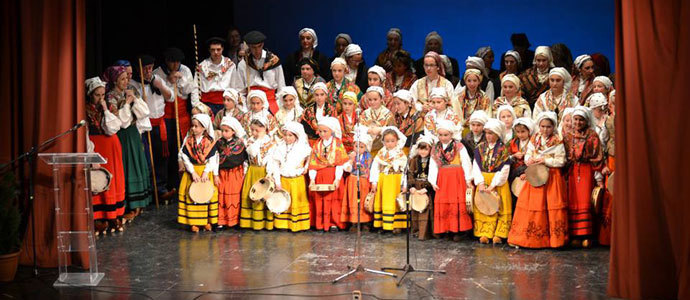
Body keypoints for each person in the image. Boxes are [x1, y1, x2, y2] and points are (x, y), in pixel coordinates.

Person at [507, 112, 569, 248]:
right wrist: (529, 159)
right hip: (535, 175)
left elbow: (561, 160)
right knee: (532, 205)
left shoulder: (557, 140)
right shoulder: (535, 138)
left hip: (551, 176)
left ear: (553, 126)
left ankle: (552, 239)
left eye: (548, 127)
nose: (545, 130)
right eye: (542, 126)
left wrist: (545, 160)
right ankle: (527, 238)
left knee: (550, 206)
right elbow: (529, 152)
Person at [104, 66, 152, 226]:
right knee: (126, 166)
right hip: (122, 135)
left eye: (127, 78)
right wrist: (127, 103)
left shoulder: (131, 90)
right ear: (115, 80)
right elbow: (122, 122)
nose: (126, 82)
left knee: (136, 164)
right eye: (122, 79)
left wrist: (135, 99)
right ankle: (128, 204)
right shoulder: (111, 96)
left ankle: (139, 203)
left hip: (133, 133)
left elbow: (144, 112)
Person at [131, 55, 176, 203]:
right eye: (145, 68)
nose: (148, 71)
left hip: (160, 123)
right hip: (144, 126)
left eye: (150, 67)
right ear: (138, 69)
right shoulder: (134, 84)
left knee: (162, 156)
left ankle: (161, 189)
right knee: (147, 159)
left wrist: (161, 86)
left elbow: (171, 97)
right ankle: (149, 191)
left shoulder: (157, 79)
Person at [85, 77, 126, 235]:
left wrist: (105, 109)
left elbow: (112, 128)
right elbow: (85, 133)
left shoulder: (108, 107)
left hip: (111, 145)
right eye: (97, 95)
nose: (101, 98)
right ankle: (98, 217)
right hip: (96, 146)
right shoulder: (84, 109)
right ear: (90, 94)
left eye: (103, 94)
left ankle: (114, 215)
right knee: (98, 181)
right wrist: (91, 154)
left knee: (114, 180)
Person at [155, 47, 195, 196]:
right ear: (166, 61)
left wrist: (179, 80)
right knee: (165, 152)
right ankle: (163, 187)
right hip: (165, 117)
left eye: (177, 62)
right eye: (172, 62)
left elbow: (189, 90)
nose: (175, 65)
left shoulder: (185, 71)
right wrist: (168, 80)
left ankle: (181, 184)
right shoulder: (157, 73)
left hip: (182, 115)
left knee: (181, 151)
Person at [563, 106, 604, 248]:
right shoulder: (568, 136)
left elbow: (597, 157)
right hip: (573, 171)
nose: (578, 122)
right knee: (573, 200)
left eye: (581, 120)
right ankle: (575, 235)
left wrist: (598, 177)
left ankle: (586, 235)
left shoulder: (592, 135)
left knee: (586, 201)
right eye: (576, 119)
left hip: (586, 171)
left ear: (586, 121)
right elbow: (566, 156)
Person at [429, 120, 473, 240]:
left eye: (446, 135)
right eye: (440, 135)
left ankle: (459, 230)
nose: (443, 138)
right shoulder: (436, 148)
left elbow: (466, 162)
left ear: (451, 135)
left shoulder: (458, 146)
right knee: (445, 202)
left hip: (457, 178)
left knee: (457, 202)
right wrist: (433, 180)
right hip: (443, 178)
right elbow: (432, 165)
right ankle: (446, 228)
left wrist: (468, 178)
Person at [471, 119, 512, 244]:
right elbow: (476, 166)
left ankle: (499, 233)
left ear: (498, 134)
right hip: (483, 181)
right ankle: (484, 232)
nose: (488, 136)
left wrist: (494, 185)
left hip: (497, 182)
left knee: (500, 206)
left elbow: (505, 169)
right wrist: (481, 183)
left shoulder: (503, 150)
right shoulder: (480, 148)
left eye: (491, 133)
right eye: (487, 133)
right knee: (485, 206)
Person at [177, 114, 219, 232]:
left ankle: (206, 220)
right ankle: (194, 222)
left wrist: (206, 172)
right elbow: (185, 157)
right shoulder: (189, 141)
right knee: (192, 196)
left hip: (204, 172)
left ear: (204, 128)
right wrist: (192, 172)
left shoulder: (209, 142)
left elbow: (213, 159)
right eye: (193, 126)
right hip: (194, 172)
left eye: (196, 126)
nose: (193, 129)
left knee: (205, 195)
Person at [308, 117, 349, 231]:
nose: (322, 134)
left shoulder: (337, 144)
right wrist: (312, 179)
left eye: (325, 131)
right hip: (320, 177)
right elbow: (313, 164)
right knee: (320, 200)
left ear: (332, 131)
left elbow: (340, 163)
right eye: (320, 131)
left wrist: (337, 179)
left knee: (334, 201)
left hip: (333, 175)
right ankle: (320, 223)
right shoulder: (317, 145)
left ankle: (334, 222)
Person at [269, 122, 312, 232]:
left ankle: (298, 224)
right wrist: (277, 181)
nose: (287, 138)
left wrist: (305, 167)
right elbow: (275, 165)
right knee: (284, 201)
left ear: (296, 136)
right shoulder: (279, 147)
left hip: (297, 180)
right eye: (285, 135)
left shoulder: (302, 147)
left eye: (290, 135)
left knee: (297, 201)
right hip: (284, 180)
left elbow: (310, 155)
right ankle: (283, 224)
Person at [232, 31, 285, 115]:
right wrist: (245, 109)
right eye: (253, 47)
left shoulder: (273, 61)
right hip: (251, 105)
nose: (257, 50)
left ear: (263, 44)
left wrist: (279, 106)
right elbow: (240, 91)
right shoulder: (244, 64)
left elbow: (281, 87)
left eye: (259, 46)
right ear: (248, 46)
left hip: (271, 103)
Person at [239, 116, 277, 230]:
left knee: (263, 195)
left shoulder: (270, 143)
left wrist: (269, 173)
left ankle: (264, 222)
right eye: (253, 130)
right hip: (252, 170)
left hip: (263, 171)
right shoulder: (251, 141)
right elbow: (249, 155)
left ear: (265, 128)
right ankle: (250, 222)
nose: (254, 133)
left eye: (257, 130)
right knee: (251, 193)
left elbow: (271, 159)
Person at [369, 127, 408, 233]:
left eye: (392, 141)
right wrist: (374, 182)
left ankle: (397, 224)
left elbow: (405, 170)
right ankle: (383, 224)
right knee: (384, 201)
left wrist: (404, 184)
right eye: (387, 141)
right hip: (384, 181)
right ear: (383, 142)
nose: (390, 144)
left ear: (397, 141)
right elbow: (375, 168)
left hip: (395, 181)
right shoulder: (381, 154)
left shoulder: (400, 154)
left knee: (395, 202)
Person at [215, 116, 248, 230]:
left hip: (235, 173)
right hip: (222, 173)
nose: (224, 133)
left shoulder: (239, 143)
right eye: (222, 130)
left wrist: (244, 173)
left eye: (227, 131)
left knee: (234, 196)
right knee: (222, 196)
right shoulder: (219, 143)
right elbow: (215, 159)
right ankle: (222, 220)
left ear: (233, 131)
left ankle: (235, 220)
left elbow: (244, 160)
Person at [192, 37, 236, 115]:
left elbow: (234, 87)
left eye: (218, 49)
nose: (216, 52)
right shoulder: (202, 67)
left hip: (225, 103)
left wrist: (233, 104)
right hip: (207, 104)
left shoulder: (230, 65)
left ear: (222, 49)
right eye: (213, 50)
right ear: (209, 50)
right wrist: (198, 105)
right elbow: (195, 88)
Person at [405, 134, 437, 240]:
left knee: (426, 209)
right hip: (416, 187)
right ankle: (416, 230)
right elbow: (410, 174)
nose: (422, 152)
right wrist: (412, 186)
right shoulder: (414, 160)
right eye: (420, 149)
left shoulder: (433, 161)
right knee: (416, 209)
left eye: (425, 149)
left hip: (426, 188)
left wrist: (427, 188)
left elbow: (434, 175)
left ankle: (426, 232)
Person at [341, 129, 374, 228]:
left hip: (364, 181)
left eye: (361, 146)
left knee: (364, 200)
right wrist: (351, 160)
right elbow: (346, 169)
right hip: (353, 180)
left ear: (366, 147)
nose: (358, 149)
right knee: (353, 200)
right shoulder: (351, 155)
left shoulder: (369, 157)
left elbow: (371, 170)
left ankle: (365, 221)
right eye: (356, 146)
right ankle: (354, 221)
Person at [359, 86, 395, 156]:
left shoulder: (388, 114)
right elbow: (359, 128)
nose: (372, 102)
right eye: (370, 99)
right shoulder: (365, 113)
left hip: (383, 149)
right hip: (367, 149)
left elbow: (393, 131)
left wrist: (380, 130)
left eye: (375, 99)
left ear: (381, 99)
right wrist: (367, 130)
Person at [393, 89, 424, 154]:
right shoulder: (395, 116)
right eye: (395, 104)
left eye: (398, 104)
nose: (396, 106)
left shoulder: (417, 118)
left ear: (407, 103)